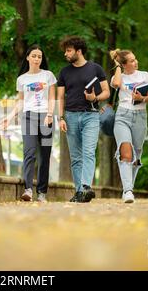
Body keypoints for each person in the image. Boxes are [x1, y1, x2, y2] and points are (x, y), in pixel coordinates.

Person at [57, 36, 110, 203]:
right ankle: (79, 191)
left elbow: (107, 92)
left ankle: (86, 187)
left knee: (88, 152)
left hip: (91, 116)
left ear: (78, 51)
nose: (66, 53)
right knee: (76, 157)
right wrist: (61, 118)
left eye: (69, 50)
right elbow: (60, 97)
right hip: (71, 116)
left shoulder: (96, 69)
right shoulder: (64, 72)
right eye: (65, 50)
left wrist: (95, 97)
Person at [1, 45, 57, 202]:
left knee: (44, 156)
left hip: (46, 116)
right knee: (29, 152)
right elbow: (21, 101)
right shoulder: (22, 79)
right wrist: (10, 117)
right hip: (28, 117)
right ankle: (28, 190)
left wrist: (50, 115)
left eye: (39, 56)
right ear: (28, 57)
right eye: (34, 56)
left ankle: (42, 193)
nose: (37, 59)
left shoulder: (48, 75)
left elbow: (52, 97)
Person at [110, 49, 148, 203]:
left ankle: (129, 187)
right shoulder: (119, 77)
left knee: (136, 155)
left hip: (140, 117)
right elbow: (116, 84)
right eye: (131, 60)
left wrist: (141, 98)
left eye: (135, 59)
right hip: (122, 115)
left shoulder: (145, 75)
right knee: (126, 153)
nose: (136, 62)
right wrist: (117, 66)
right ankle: (128, 191)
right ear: (124, 65)